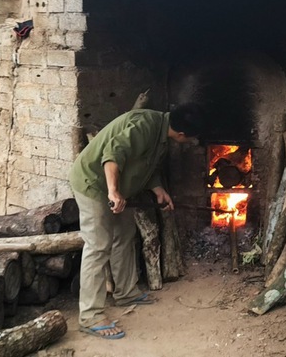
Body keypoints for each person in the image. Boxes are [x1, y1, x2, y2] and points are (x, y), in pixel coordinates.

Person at [69, 102, 205, 339]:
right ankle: (90, 316)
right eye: (192, 139)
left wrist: (157, 188)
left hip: (117, 188)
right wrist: (113, 191)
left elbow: (143, 163)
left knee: (125, 235)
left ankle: (125, 293)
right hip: (93, 184)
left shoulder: (162, 131)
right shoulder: (145, 126)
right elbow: (112, 154)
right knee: (98, 246)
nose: (192, 142)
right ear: (181, 134)